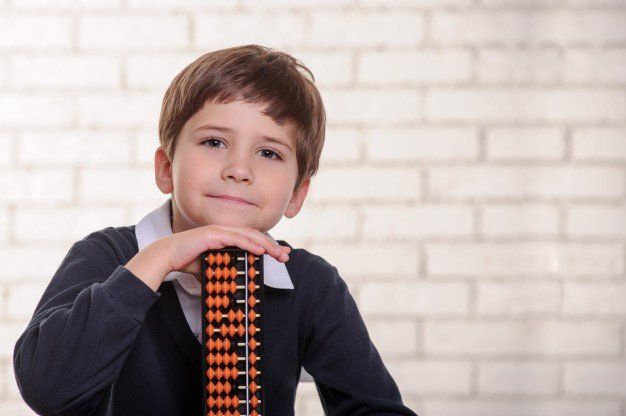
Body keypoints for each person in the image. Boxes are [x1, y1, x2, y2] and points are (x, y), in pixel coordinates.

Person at [13, 44, 418, 416]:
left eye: (269, 152)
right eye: (213, 142)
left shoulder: (309, 283)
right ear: (167, 168)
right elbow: (47, 390)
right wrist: (156, 262)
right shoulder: (109, 256)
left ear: (297, 194)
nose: (239, 170)